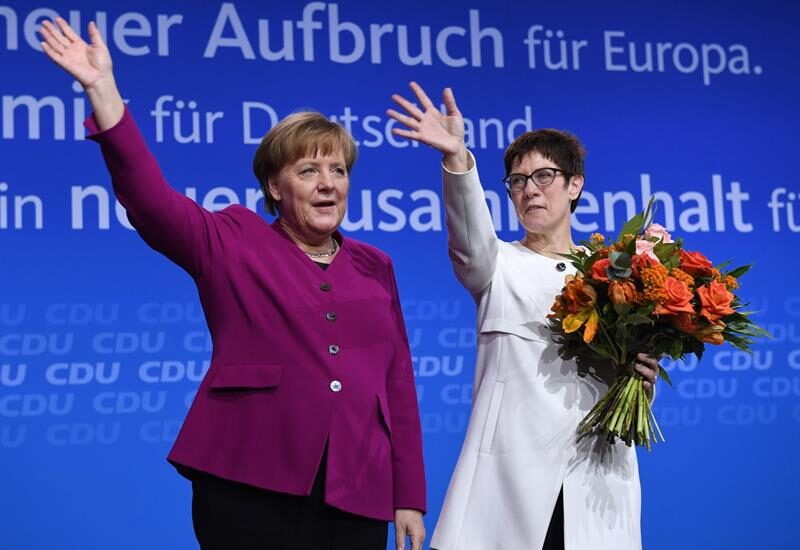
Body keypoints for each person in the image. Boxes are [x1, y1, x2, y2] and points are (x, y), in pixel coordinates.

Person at [39, 18, 426, 550]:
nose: (328, 184)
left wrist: (407, 495)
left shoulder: (374, 264)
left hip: (356, 488)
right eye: (309, 170)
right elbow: (151, 201)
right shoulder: (232, 240)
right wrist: (103, 90)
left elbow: (397, 383)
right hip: (249, 478)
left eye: (338, 170)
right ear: (275, 185)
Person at [387, 82, 660, 550]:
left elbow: (625, 385)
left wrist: (642, 378)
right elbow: (468, 233)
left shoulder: (615, 272)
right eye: (517, 181)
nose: (529, 190)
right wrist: (457, 158)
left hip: (594, 480)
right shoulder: (497, 265)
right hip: (509, 483)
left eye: (544, 177)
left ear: (575, 185)